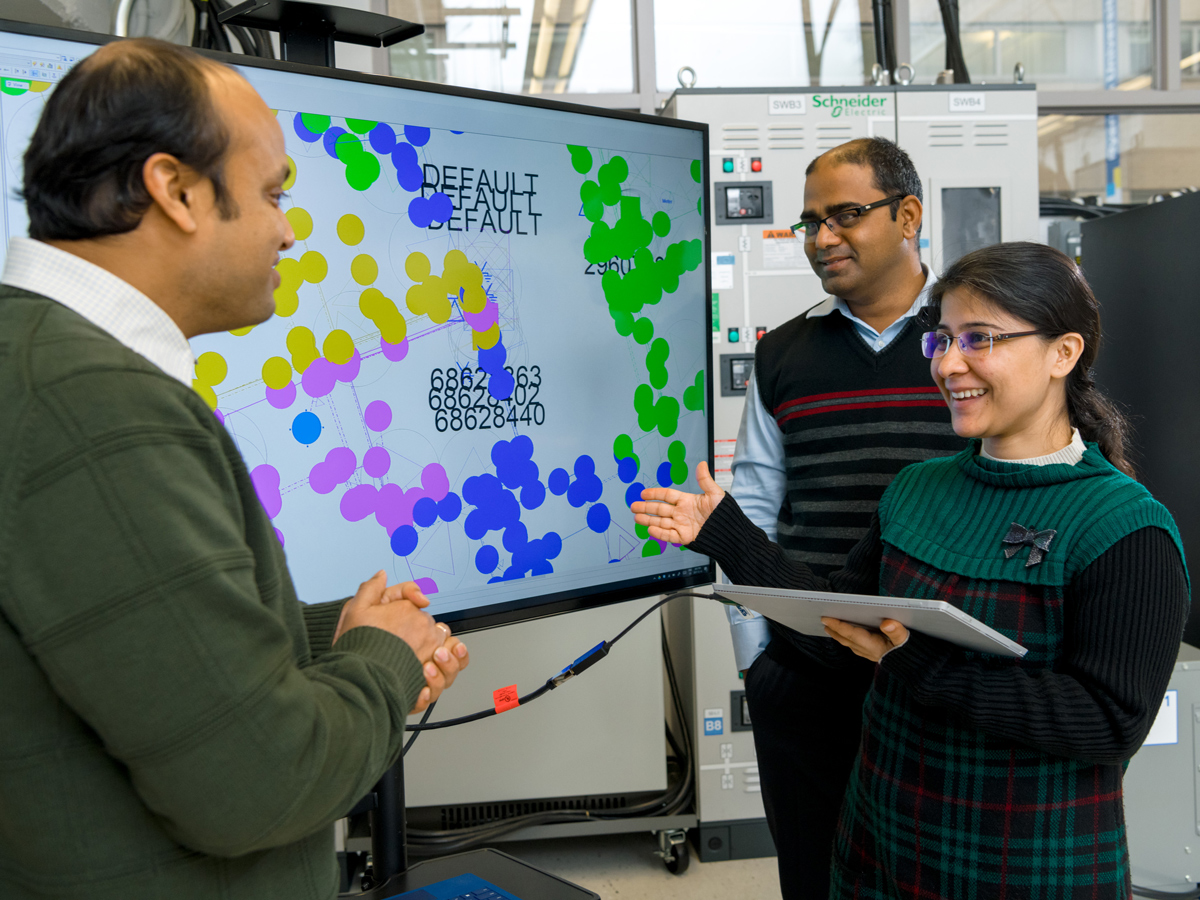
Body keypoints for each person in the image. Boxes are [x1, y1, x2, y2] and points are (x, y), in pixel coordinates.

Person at [0, 39, 468, 900]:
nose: (288, 229)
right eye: (272, 193)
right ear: (176, 190)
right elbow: (258, 784)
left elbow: (125, 639)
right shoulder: (93, 404)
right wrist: (382, 661)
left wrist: (332, 633)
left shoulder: (39, 359)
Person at [637, 242, 1189, 898]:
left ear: (1062, 354)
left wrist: (915, 663)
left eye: (979, 339)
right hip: (882, 846)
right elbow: (840, 629)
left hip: (1026, 869)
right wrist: (722, 530)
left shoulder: (1123, 526)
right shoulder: (916, 490)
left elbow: (1107, 721)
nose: (950, 365)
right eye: (942, 340)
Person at [726, 137, 962, 897]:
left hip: (940, 673)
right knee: (815, 875)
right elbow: (755, 504)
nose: (822, 238)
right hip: (804, 676)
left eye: (846, 215)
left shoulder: (971, 346)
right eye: (810, 222)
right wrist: (755, 658)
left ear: (909, 216)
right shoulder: (783, 355)